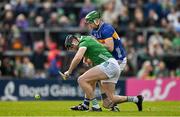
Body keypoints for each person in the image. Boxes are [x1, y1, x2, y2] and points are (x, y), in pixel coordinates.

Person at [63, 35, 143, 111]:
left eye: (71, 47)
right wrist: (86, 57)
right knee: (110, 100)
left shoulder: (83, 42)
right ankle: (136, 99)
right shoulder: (87, 39)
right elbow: (92, 47)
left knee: (81, 79)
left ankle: (95, 106)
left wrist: (69, 71)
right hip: (113, 65)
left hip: (109, 65)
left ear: (74, 41)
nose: (73, 49)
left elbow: (77, 57)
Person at [71, 10, 127, 111]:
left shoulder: (107, 29)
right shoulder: (94, 31)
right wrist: (87, 57)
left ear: (96, 21)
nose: (89, 26)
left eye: (90, 23)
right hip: (107, 59)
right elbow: (92, 47)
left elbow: (110, 47)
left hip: (118, 59)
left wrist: (93, 44)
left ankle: (105, 105)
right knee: (93, 79)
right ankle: (88, 104)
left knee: (99, 84)